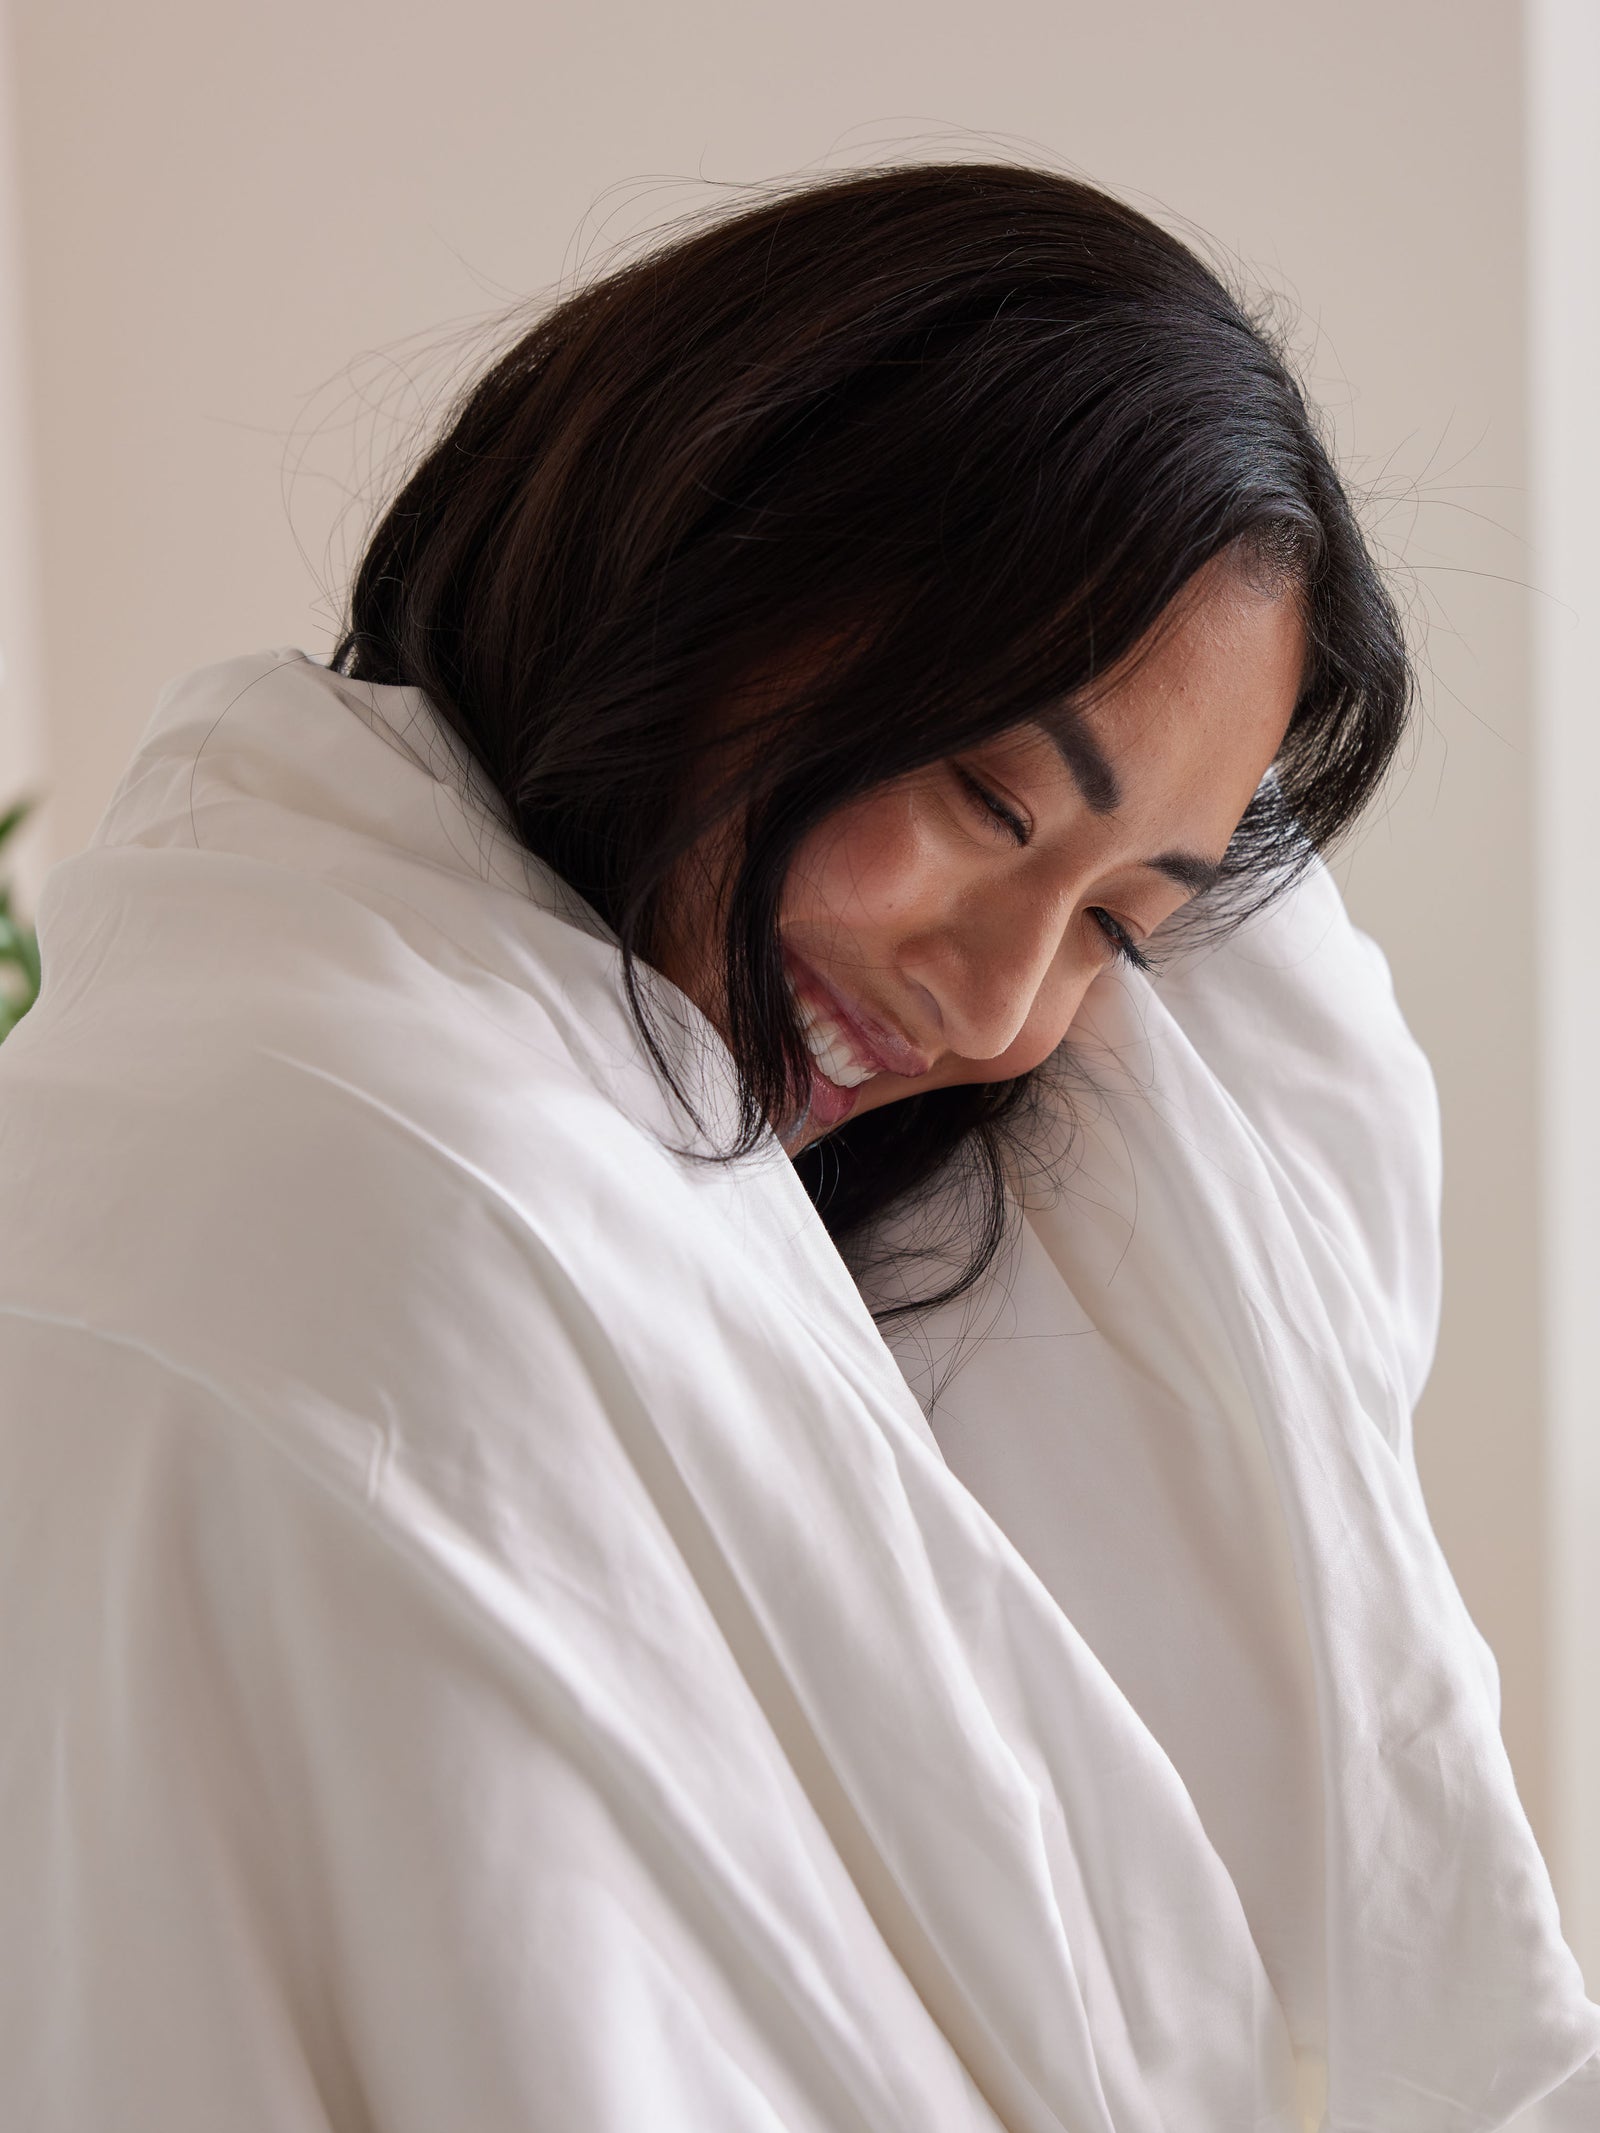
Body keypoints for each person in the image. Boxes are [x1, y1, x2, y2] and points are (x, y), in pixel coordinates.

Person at [0, 162, 1594, 2131]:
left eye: (1118, 922)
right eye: (977, 793)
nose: (997, 1002)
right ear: (706, 554)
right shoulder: (390, 1174)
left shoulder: (785, 1202)